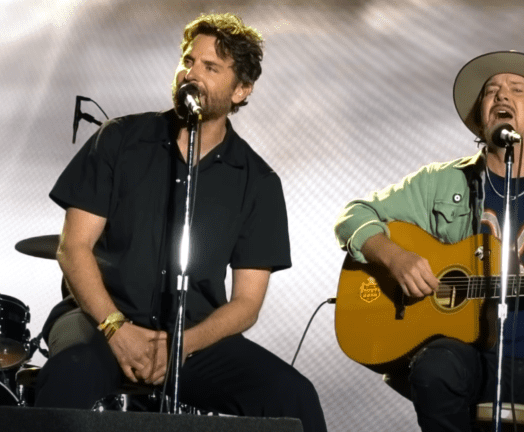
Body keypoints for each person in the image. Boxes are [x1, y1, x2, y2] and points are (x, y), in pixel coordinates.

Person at [35, 13, 327, 431]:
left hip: (191, 339)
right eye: (188, 60)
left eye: (211, 68)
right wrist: (118, 329)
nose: (191, 73)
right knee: (71, 371)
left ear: (241, 90)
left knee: (292, 394)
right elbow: (73, 247)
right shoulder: (119, 140)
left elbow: (247, 303)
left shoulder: (258, 182)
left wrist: (179, 345)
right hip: (98, 319)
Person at [334, 51, 524, 432]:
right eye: (491, 92)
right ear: (480, 118)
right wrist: (394, 257)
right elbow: (353, 215)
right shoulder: (441, 181)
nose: (501, 96)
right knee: (435, 368)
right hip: (466, 357)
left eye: (517, 89)